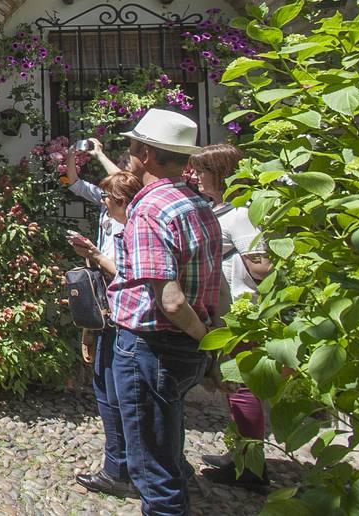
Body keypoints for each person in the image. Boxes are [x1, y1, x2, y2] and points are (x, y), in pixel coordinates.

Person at [107, 109, 224, 515]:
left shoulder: (150, 208)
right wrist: (212, 341)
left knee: (151, 468)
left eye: (133, 146)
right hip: (189, 345)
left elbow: (170, 300)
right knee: (168, 446)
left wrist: (200, 336)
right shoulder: (199, 204)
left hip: (152, 347)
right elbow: (217, 283)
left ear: (146, 154)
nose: (129, 152)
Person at [190, 143, 271, 487]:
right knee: (231, 384)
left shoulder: (240, 214)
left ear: (220, 173)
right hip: (221, 310)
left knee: (242, 387)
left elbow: (263, 267)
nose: (194, 176)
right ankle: (239, 456)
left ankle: (252, 468)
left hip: (240, 312)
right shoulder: (219, 209)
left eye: (201, 171)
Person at [67, 170, 144, 499]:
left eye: (108, 199)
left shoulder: (137, 230)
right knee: (108, 392)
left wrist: (95, 256)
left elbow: (129, 274)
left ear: (123, 202)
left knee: (123, 398)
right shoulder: (118, 225)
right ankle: (119, 466)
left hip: (127, 320)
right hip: (109, 317)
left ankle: (129, 470)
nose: (103, 204)